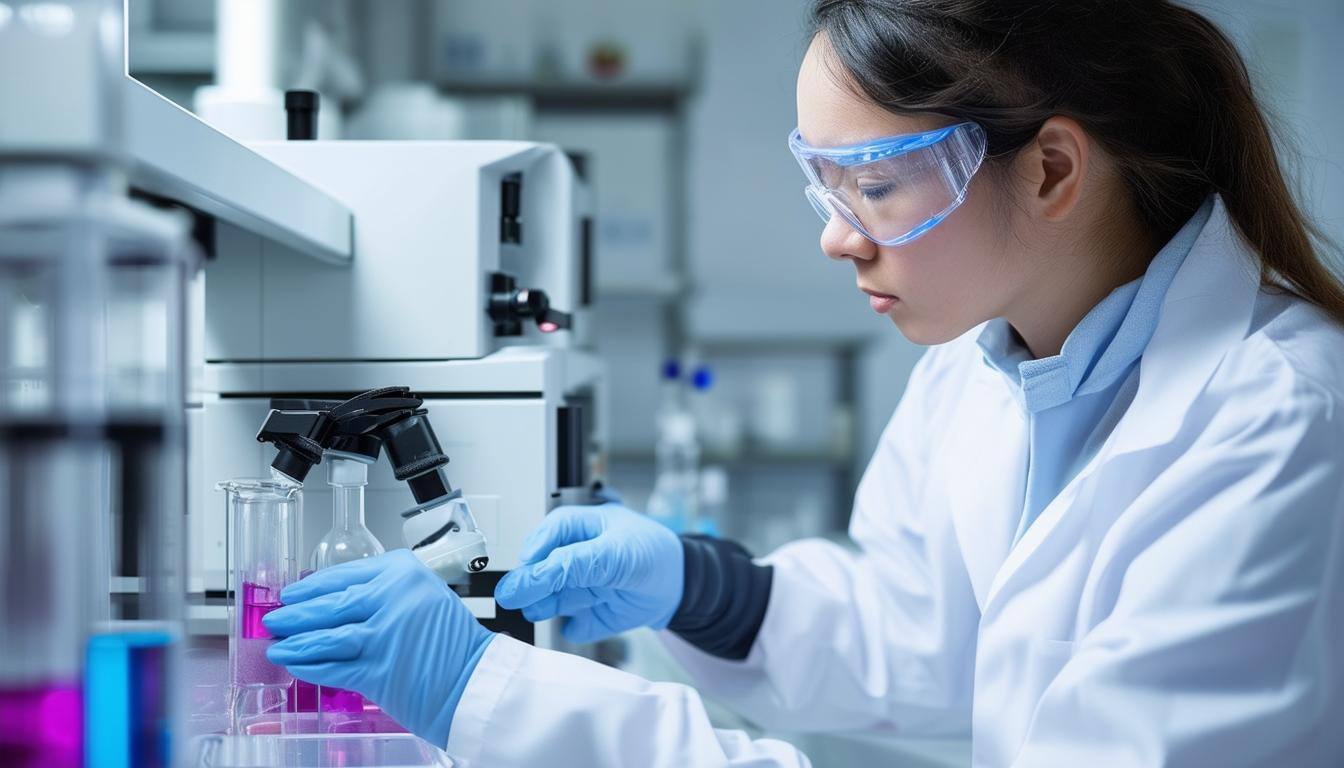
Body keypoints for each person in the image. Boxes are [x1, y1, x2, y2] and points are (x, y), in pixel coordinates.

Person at [260, 1, 1344, 765]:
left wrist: (491, 696)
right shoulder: (987, 359)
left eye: (874, 184)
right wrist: (712, 591)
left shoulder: (1278, 423)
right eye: (823, 184)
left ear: (1054, 169)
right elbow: (926, 635)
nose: (838, 237)